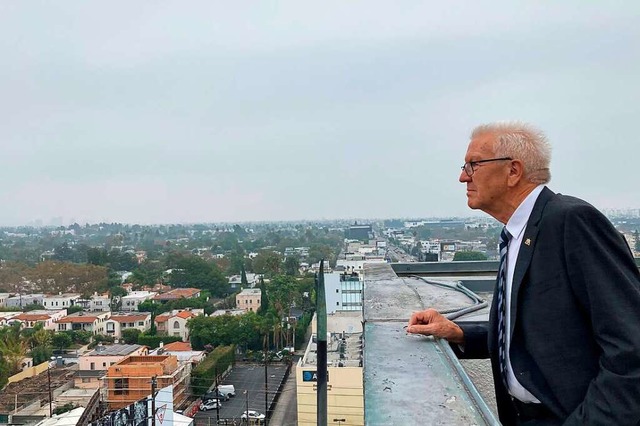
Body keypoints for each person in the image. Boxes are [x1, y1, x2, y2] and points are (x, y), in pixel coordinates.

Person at [407, 122, 640, 425]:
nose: (463, 176)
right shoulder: (517, 234)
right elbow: (541, 330)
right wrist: (461, 333)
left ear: (513, 171)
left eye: (473, 165)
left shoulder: (572, 222)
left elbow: (631, 348)